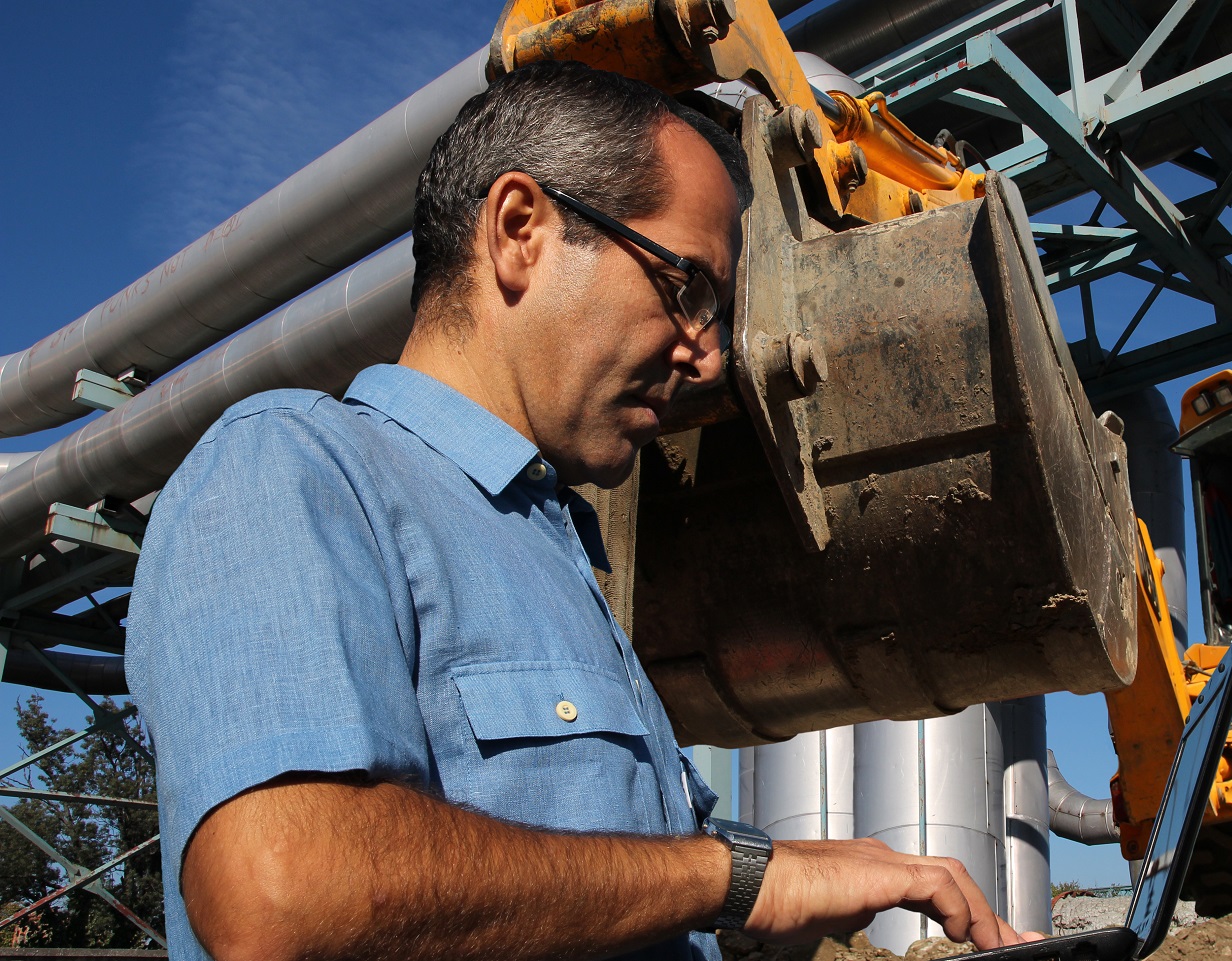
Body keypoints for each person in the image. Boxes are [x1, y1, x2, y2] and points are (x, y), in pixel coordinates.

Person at [128, 62, 1037, 961]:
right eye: (689, 290)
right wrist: (744, 878)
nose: (710, 356)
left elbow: (619, 899)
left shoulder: (556, 546)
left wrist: (776, 893)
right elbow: (284, 897)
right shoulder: (290, 465)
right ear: (520, 231)